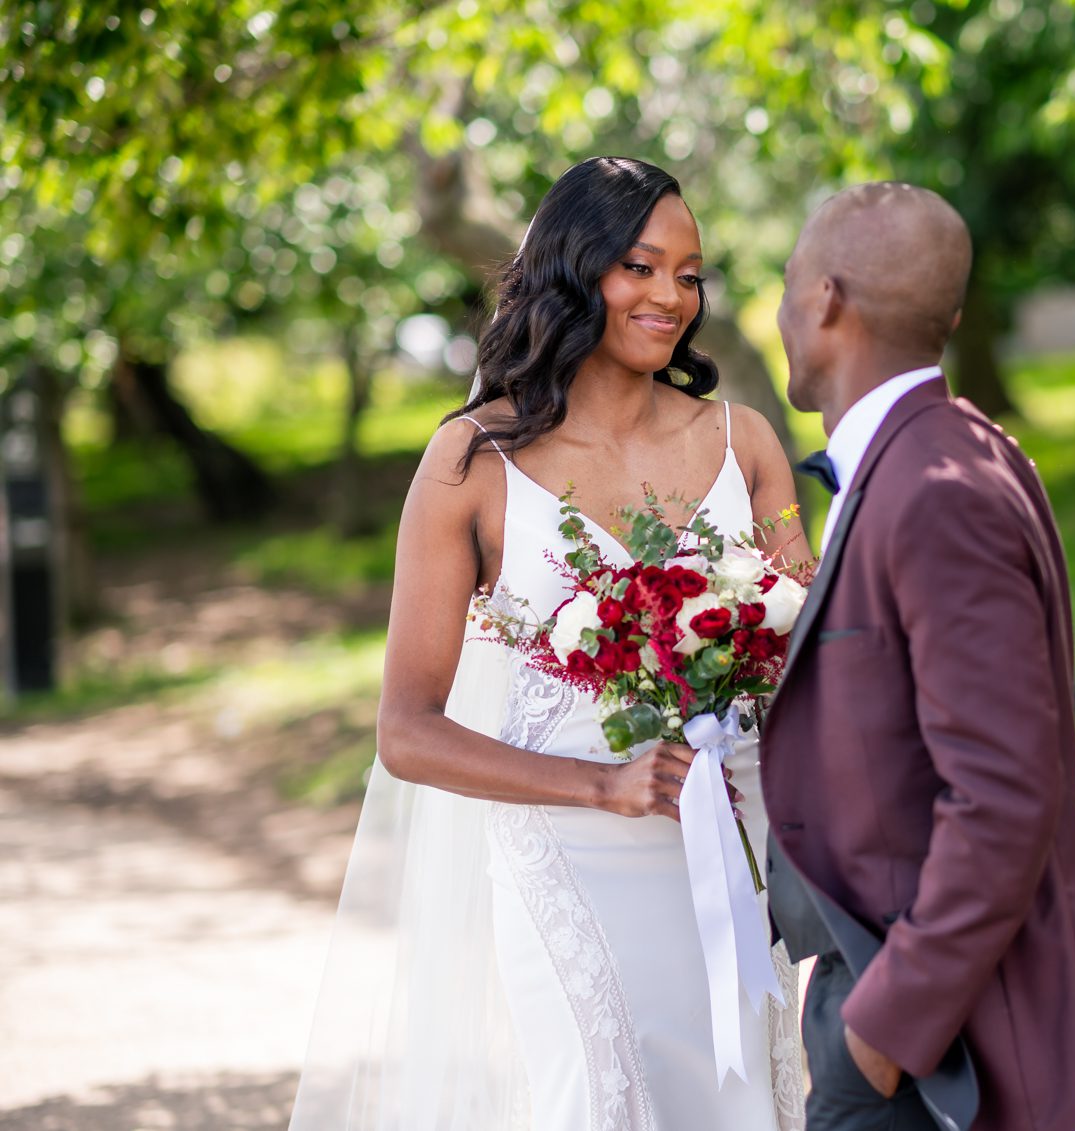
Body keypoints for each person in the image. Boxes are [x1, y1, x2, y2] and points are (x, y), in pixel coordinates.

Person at [288, 156, 810, 1131]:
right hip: (568, 861)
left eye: (689, 274)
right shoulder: (470, 462)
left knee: (746, 1101)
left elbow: (803, 656)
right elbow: (406, 730)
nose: (670, 297)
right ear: (577, 267)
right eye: (641, 267)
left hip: (736, 846)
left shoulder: (747, 445)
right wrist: (600, 786)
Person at [761, 183, 1075, 1131]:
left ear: (826, 299)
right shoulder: (959, 452)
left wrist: (875, 1037)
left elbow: (1001, 797)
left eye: (787, 284)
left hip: (940, 1056)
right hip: (912, 1021)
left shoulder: (936, 489)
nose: (783, 310)